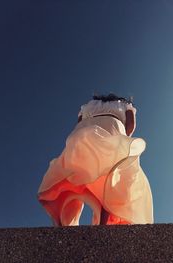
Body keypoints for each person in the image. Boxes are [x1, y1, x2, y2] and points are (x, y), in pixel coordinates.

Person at [37, 94, 153, 226]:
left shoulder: (87, 106)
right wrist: (121, 143)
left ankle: (66, 222)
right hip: (111, 130)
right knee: (108, 178)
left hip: (84, 133)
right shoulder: (124, 105)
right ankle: (102, 223)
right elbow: (131, 125)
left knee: (76, 174)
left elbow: (79, 122)